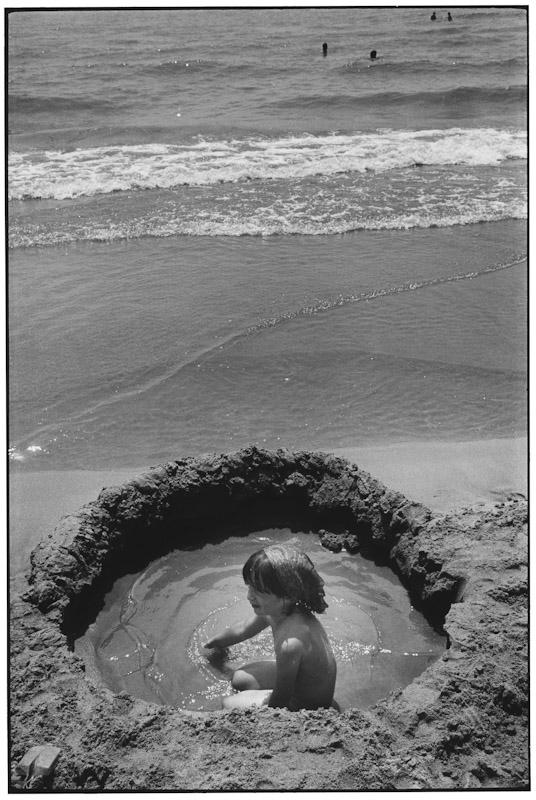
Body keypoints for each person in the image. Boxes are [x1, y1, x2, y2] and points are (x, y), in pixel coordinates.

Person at [204, 544, 337, 711]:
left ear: (288, 595)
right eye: (249, 587)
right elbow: (243, 629)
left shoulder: (291, 643)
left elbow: (280, 700)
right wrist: (213, 643)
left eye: (259, 591)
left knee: (227, 703)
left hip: (308, 705)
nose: (249, 596)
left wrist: (264, 712)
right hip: (302, 682)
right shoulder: (277, 610)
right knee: (239, 678)